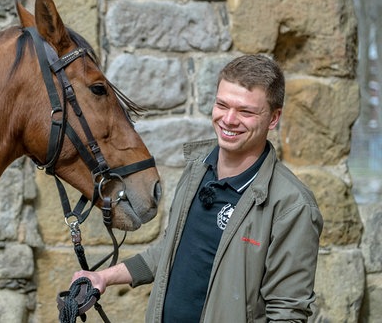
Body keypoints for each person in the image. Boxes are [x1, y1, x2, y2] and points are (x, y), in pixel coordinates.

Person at [71, 54, 324, 322]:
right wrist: (103, 277)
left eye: (246, 111)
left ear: (274, 118)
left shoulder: (292, 206)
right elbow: (170, 251)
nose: (229, 119)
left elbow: (287, 313)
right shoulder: (197, 169)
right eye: (222, 105)